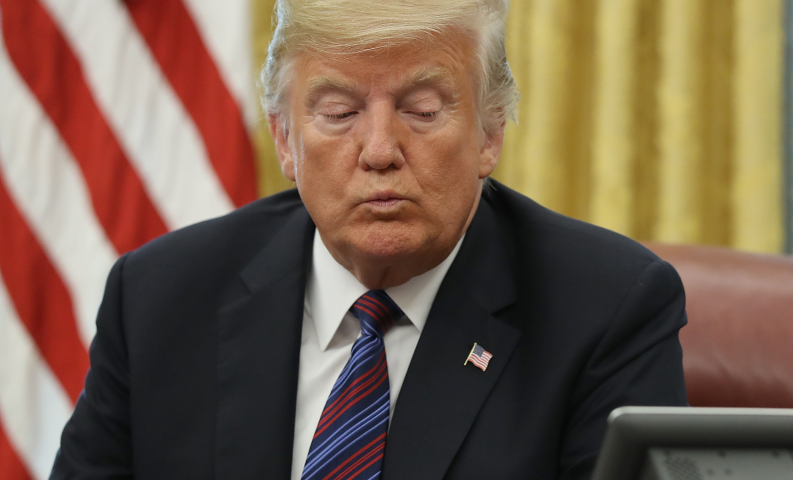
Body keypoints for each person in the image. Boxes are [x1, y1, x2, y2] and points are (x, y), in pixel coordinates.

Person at [50, 0, 687, 478]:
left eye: (422, 109)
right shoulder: (161, 298)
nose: (379, 151)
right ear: (284, 140)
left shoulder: (605, 309)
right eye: (338, 114)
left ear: (490, 132)